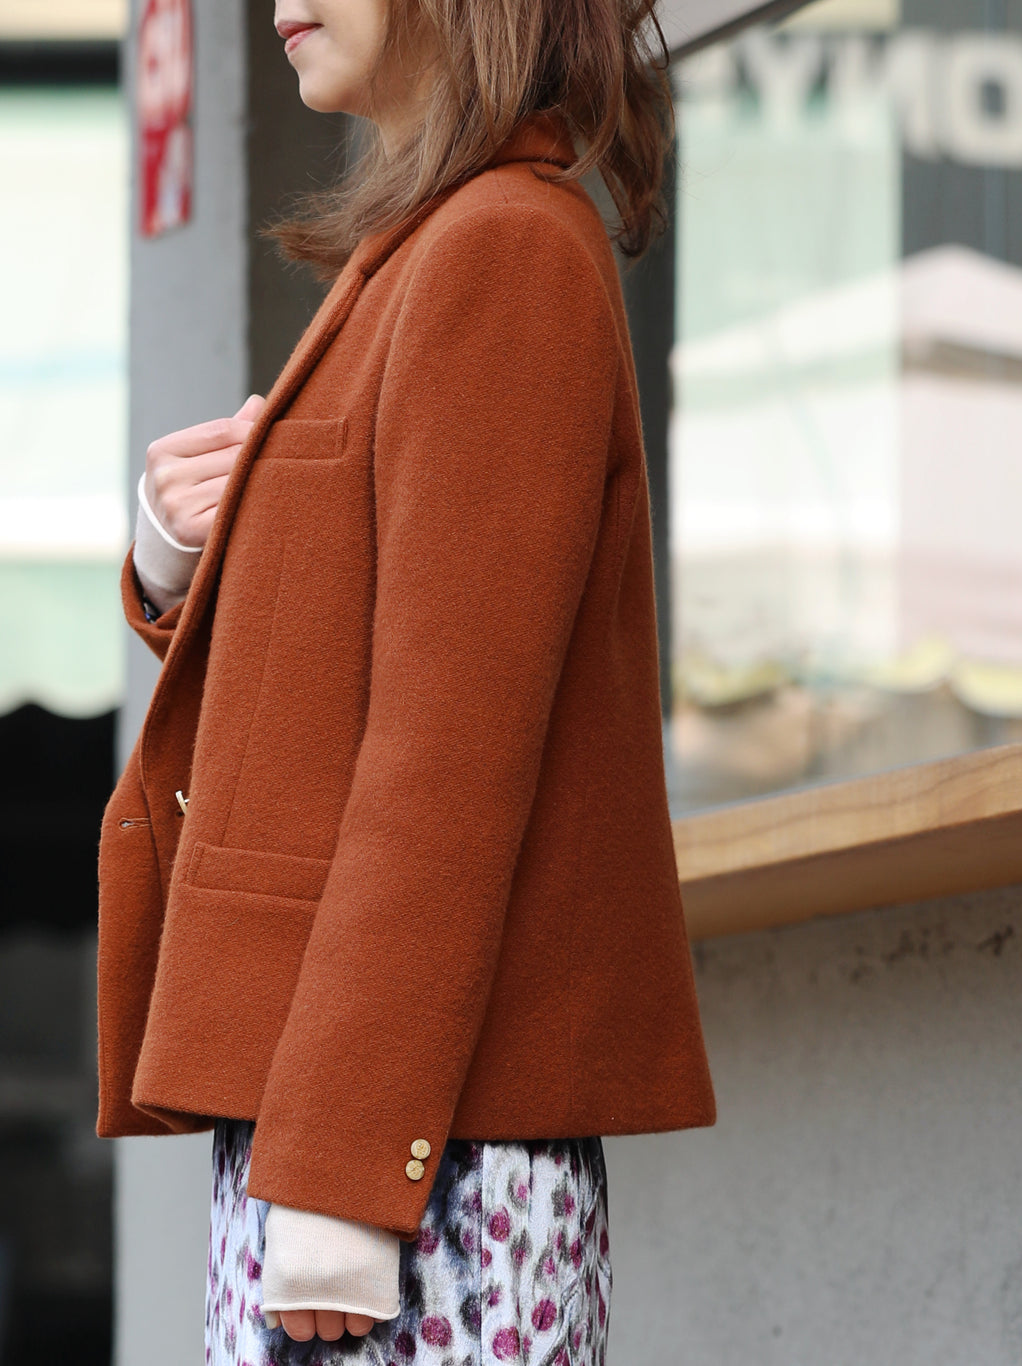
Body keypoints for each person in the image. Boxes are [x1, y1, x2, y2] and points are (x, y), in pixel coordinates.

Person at [95, 0, 717, 1361]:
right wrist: (175, 563)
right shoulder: (428, 248)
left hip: (413, 1155)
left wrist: (341, 1167)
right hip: (366, 1135)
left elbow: (448, 761)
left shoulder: (504, 252)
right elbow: (331, 684)